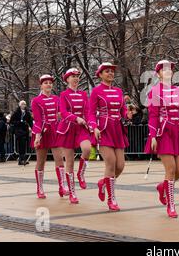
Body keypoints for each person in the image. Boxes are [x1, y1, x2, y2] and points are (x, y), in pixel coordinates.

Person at [144, 60, 179, 218]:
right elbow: (153, 116)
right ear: (158, 73)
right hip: (163, 132)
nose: (168, 72)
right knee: (170, 170)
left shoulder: (178, 91)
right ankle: (171, 205)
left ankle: (163, 187)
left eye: (170, 69)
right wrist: (153, 135)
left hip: (177, 131)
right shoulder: (154, 91)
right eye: (164, 69)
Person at [88, 63, 132, 211]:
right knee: (111, 163)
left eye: (112, 71)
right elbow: (91, 113)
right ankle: (111, 199)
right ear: (100, 74)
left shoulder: (119, 91)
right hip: (104, 129)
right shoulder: (96, 91)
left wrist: (127, 114)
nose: (110, 74)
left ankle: (103, 182)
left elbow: (123, 110)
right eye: (107, 71)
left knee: (120, 165)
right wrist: (94, 127)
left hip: (117, 129)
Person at [55, 68, 92, 204]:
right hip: (68, 128)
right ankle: (72, 192)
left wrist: (89, 122)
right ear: (67, 79)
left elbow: (88, 111)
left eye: (77, 76)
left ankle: (81, 173)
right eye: (73, 76)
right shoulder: (64, 94)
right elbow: (63, 112)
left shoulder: (83, 94)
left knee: (87, 149)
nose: (76, 79)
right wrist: (76, 118)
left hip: (82, 128)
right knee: (69, 162)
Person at [31, 75, 68, 199]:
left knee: (59, 159)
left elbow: (61, 113)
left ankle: (62, 186)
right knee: (41, 161)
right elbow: (37, 120)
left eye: (50, 83)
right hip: (42, 131)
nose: (48, 85)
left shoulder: (57, 99)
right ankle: (39, 188)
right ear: (41, 85)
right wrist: (37, 136)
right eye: (45, 83)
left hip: (55, 131)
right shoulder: (36, 101)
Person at [10, 101, 33, 165]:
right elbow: (12, 121)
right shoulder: (16, 112)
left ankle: (23, 159)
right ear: (20, 105)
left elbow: (30, 121)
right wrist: (19, 122)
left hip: (25, 130)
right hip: (19, 130)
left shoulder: (27, 112)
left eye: (25, 104)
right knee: (21, 145)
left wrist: (32, 128)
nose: (24, 105)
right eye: (22, 104)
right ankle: (21, 159)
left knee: (24, 145)